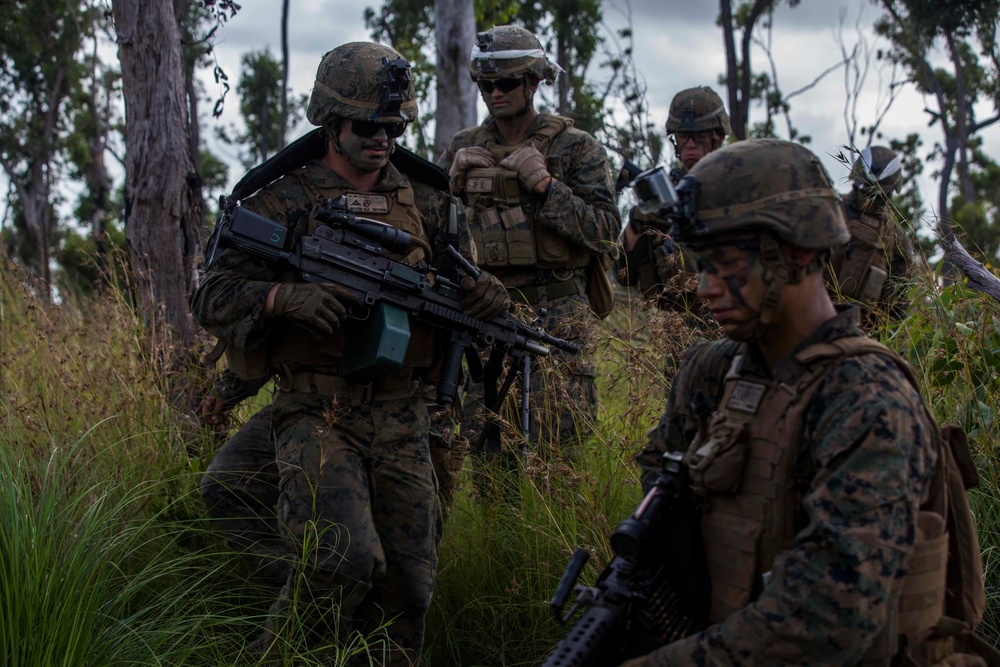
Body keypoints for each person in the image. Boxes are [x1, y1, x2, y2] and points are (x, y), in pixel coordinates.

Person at [191, 42, 509, 665]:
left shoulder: (431, 200)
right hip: (316, 407)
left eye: (394, 127)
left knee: (410, 591)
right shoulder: (279, 198)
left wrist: (488, 301)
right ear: (329, 122)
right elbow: (214, 297)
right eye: (367, 126)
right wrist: (284, 298)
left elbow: (463, 297)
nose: (383, 139)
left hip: (404, 416)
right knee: (341, 563)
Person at [626, 138, 991, 665]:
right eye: (701, 264)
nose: (704, 288)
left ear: (796, 254)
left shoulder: (869, 399)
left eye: (724, 262)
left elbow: (830, 617)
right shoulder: (711, 370)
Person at [440, 24, 621, 462]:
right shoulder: (463, 147)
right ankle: (498, 532)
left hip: (556, 314)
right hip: (487, 314)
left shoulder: (576, 148)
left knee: (559, 456)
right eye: (485, 85)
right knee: (488, 454)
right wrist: (449, 186)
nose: (493, 93)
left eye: (504, 83)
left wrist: (544, 186)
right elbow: (432, 234)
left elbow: (606, 231)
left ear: (534, 82)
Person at [615, 86, 730, 317]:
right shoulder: (664, 191)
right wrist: (638, 221)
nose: (689, 143)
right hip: (676, 328)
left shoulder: (735, 186)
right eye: (682, 135)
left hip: (727, 322)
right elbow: (623, 274)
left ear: (717, 137)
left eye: (698, 135)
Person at [826, 144, 917, 329]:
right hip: (812, 319)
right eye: (865, 193)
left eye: (877, 197)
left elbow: (897, 306)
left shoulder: (896, 238)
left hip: (861, 334)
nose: (869, 201)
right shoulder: (829, 211)